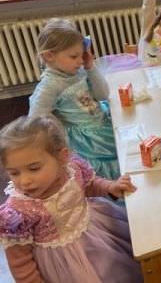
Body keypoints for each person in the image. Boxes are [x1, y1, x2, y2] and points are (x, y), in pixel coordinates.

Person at [0, 115, 142, 283]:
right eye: (14, 173)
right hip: (65, 267)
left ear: (62, 157)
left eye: (34, 168)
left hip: (101, 233)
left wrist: (110, 187)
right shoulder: (16, 212)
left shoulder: (72, 168)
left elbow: (89, 185)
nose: (24, 181)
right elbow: (21, 264)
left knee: (125, 270)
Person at [29, 18, 120, 181]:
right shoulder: (49, 85)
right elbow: (36, 120)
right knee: (114, 162)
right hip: (87, 140)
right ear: (49, 56)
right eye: (73, 56)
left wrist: (90, 68)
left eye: (81, 55)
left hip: (102, 119)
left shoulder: (77, 70)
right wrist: (60, 134)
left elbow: (103, 95)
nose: (80, 60)